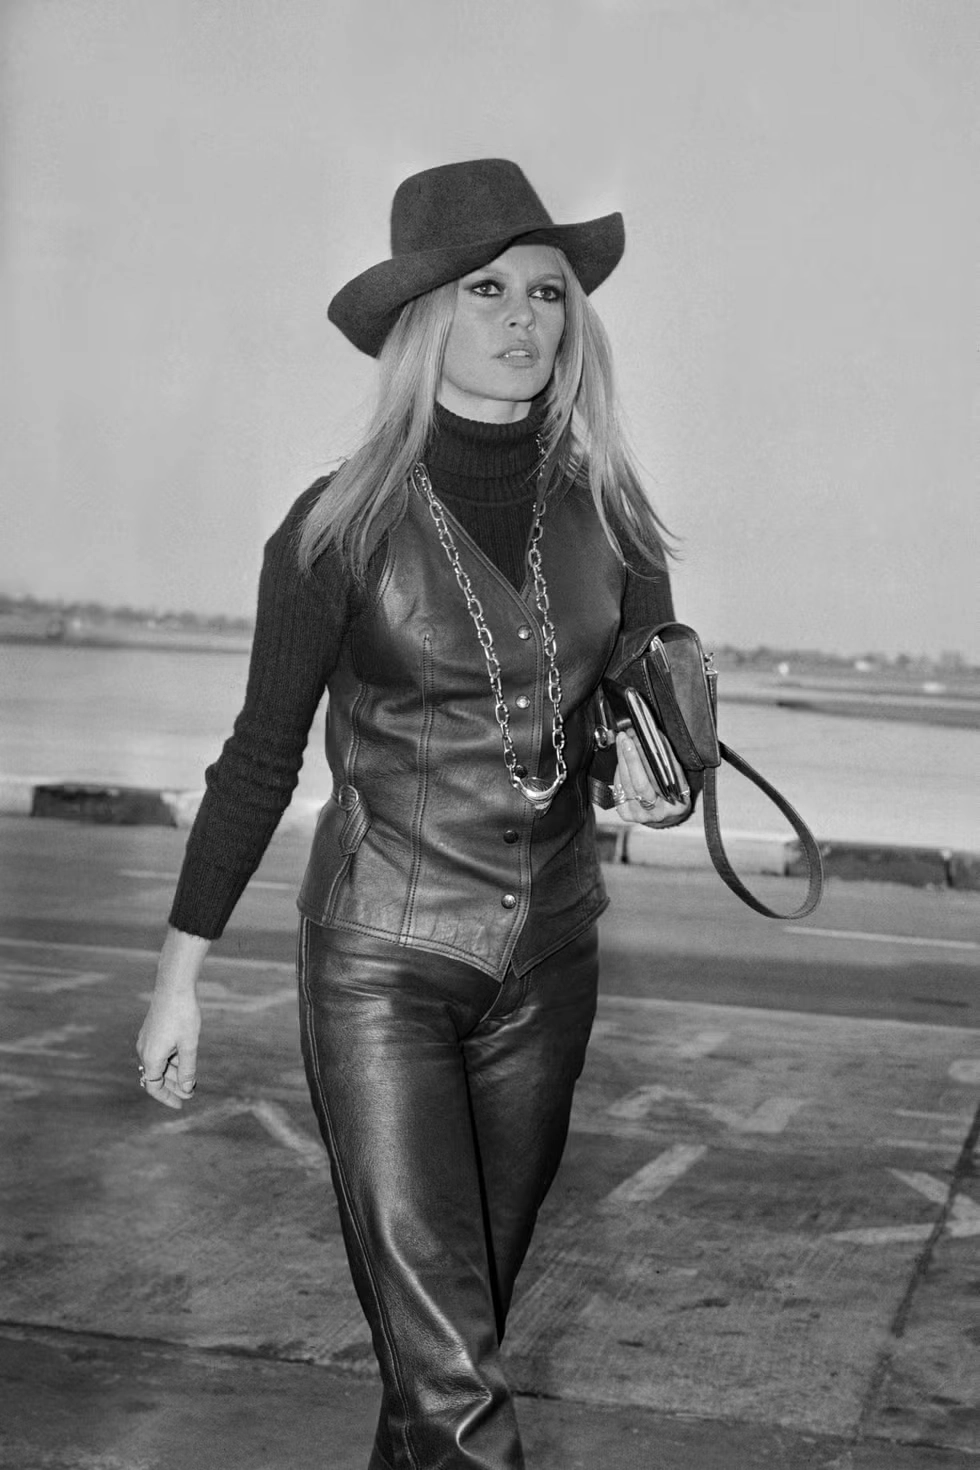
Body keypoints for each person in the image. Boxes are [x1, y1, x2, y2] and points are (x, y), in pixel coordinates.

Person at [136, 158, 693, 1470]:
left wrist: (662, 768)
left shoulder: (612, 515)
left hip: (551, 964)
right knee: (455, 1384)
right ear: (425, 317)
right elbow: (259, 757)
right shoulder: (336, 525)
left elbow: (635, 721)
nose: (522, 318)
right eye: (485, 290)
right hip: (383, 964)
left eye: (545, 292)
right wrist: (178, 981)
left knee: (450, 1346)